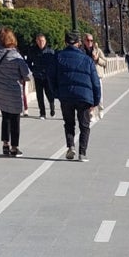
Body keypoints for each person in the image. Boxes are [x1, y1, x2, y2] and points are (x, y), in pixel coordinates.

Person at [48, 30, 101, 162]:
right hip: (84, 96)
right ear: (78, 43)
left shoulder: (58, 56)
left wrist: (56, 92)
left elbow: (50, 76)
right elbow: (96, 82)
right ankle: (82, 153)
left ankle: (71, 146)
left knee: (69, 123)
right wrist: (96, 100)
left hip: (66, 96)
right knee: (84, 125)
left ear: (65, 42)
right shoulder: (87, 60)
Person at [0, 26, 31, 157]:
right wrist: (22, 78)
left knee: (5, 117)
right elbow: (27, 74)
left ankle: (5, 144)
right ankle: (14, 147)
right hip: (13, 91)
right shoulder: (15, 55)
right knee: (15, 119)